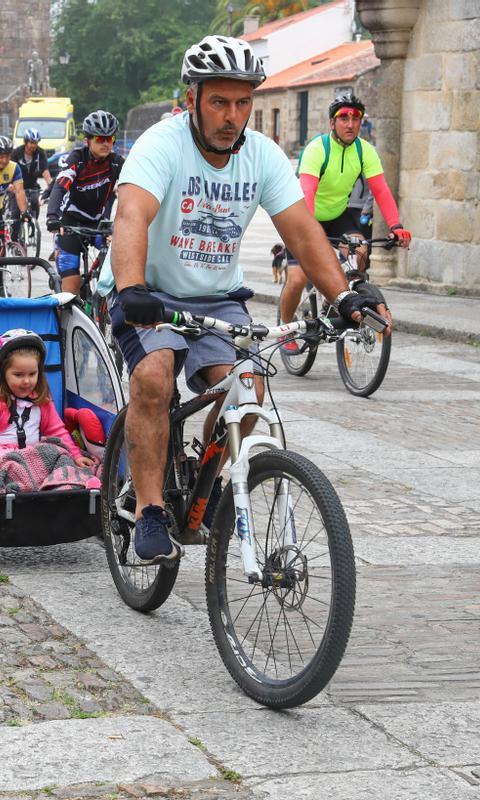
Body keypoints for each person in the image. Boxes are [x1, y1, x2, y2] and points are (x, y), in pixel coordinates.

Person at [102, 35, 387, 564]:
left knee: (248, 391)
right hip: (149, 291)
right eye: (219, 102)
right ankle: (148, 510)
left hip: (216, 296)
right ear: (193, 100)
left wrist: (345, 296)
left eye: (242, 103)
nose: (232, 116)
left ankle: (205, 485)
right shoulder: (161, 145)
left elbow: (303, 234)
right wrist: (131, 288)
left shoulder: (261, 156)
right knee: (154, 376)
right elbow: (131, 216)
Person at [279, 91, 406, 337]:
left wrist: (396, 225)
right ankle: (285, 329)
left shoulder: (365, 151)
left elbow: (381, 190)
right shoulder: (317, 149)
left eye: (355, 118)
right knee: (296, 279)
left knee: (359, 250)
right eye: (343, 117)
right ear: (332, 123)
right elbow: (307, 193)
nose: (350, 123)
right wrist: (312, 238)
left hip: (338, 215)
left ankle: (335, 299)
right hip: (303, 216)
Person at [0, 329, 97, 489]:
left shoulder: (42, 401)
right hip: (5, 458)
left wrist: (76, 455)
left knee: (60, 454)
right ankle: (37, 486)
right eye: (18, 375)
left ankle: (67, 483)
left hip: (35, 455)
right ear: (3, 374)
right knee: (10, 471)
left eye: (32, 374)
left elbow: (57, 432)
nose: (26, 381)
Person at [46, 110, 125, 294]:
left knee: (120, 258)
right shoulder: (77, 158)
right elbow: (60, 187)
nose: (105, 143)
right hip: (69, 222)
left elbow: (135, 188)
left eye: (110, 138)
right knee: (70, 291)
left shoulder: (116, 162)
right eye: (99, 139)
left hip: (97, 222)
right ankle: (64, 317)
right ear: (87, 140)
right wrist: (52, 217)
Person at [10, 128, 50, 243]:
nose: (34, 145)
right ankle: (14, 240)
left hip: (32, 185)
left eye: (36, 143)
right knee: (16, 212)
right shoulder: (17, 152)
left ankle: (33, 224)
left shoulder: (40, 153)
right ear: (26, 142)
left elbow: (45, 171)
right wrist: (10, 185)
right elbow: (9, 170)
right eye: (32, 142)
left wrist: (50, 186)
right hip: (17, 186)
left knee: (34, 202)